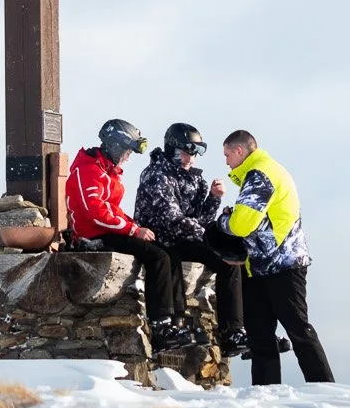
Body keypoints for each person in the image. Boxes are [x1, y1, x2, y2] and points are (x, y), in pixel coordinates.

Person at [217, 130, 334, 385]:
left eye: (227, 155)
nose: (226, 162)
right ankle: (269, 394)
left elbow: (242, 225)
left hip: (282, 265)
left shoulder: (260, 174)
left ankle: (325, 389)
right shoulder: (265, 170)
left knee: (295, 329)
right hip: (262, 266)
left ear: (239, 151)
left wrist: (224, 220)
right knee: (262, 335)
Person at [65, 118, 181, 344]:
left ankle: (177, 321)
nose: (128, 157)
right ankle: (160, 325)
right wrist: (131, 230)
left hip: (108, 231)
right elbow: (95, 212)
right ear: (115, 146)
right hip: (93, 236)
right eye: (127, 151)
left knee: (169, 253)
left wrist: (135, 227)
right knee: (156, 257)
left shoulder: (106, 170)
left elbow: (113, 209)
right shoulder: (88, 170)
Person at [134, 123, 247, 352]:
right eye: (187, 152)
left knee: (229, 262)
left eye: (195, 153)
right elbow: (171, 217)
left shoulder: (194, 178)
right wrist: (206, 234)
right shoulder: (157, 174)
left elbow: (201, 218)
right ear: (173, 149)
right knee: (169, 259)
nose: (191, 158)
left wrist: (214, 198)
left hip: (185, 237)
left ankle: (231, 331)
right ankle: (174, 325)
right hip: (160, 236)